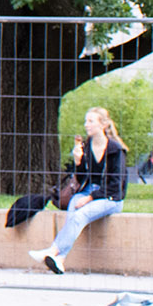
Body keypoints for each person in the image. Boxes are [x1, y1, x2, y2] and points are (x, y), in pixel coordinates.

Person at [30, 107, 128, 274]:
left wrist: (90, 198)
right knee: (73, 207)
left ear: (103, 124)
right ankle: (60, 259)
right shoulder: (87, 145)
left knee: (80, 214)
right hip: (89, 191)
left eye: (91, 121)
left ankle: (53, 251)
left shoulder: (115, 150)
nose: (86, 125)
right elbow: (82, 179)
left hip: (110, 198)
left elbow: (115, 186)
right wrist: (78, 162)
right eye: (86, 121)